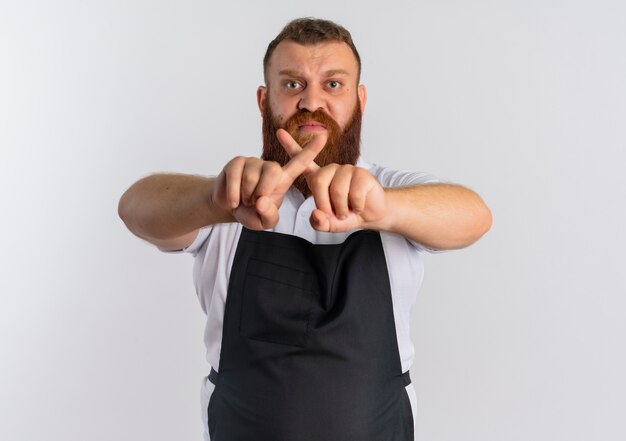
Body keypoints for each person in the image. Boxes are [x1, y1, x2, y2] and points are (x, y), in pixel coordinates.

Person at [119, 17, 491, 441]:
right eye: (292, 84)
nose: (312, 102)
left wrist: (382, 209)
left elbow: (475, 216)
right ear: (264, 100)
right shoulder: (229, 200)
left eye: (333, 84)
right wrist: (212, 199)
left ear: (360, 99)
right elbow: (134, 208)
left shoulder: (392, 192)